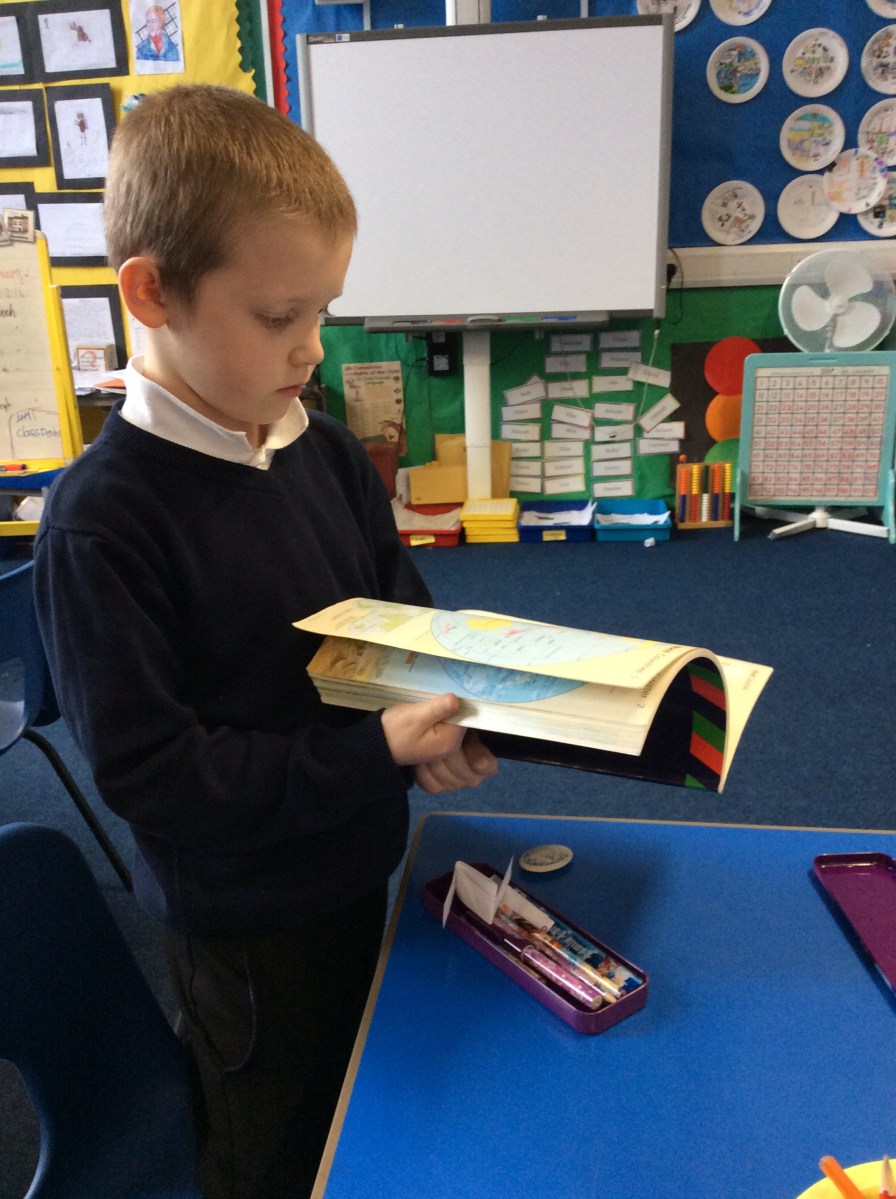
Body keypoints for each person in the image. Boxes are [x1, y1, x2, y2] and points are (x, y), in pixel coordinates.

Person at [33, 84, 498, 1199]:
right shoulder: (104, 522)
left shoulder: (323, 450)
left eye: (323, 309)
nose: (312, 346)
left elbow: (395, 611)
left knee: (375, 1106)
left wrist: (441, 715)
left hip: (359, 860)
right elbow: (156, 774)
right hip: (243, 933)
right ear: (153, 293)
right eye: (280, 316)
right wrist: (372, 753)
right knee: (272, 1150)